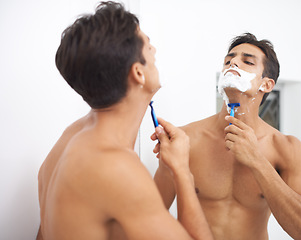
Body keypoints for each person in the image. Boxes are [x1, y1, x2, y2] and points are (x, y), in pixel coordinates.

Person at [36, 2, 213, 240]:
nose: (155, 51)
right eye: (149, 46)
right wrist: (182, 170)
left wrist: (166, 171)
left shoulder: (72, 137)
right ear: (138, 73)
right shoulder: (114, 165)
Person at [153, 33, 301, 240]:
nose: (233, 63)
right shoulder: (185, 140)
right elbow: (151, 218)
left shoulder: (285, 148)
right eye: (228, 60)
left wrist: (257, 161)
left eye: (247, 61)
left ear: (266, 85)